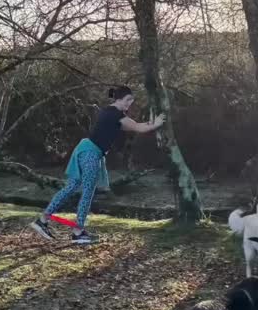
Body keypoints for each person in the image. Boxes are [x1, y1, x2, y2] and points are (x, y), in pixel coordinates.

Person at [31, 86, 165, 245]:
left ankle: (44, 220)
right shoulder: (116, 114)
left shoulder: (109, 112)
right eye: (128, 100)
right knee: (87, 191)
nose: (130, 103)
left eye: (132, 100)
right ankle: (77, 231)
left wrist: (150, 123)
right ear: (119, 99)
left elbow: (133, 125)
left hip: (85, 150)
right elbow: (138, 127)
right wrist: (156, 124)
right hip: (90, 153)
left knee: (72, 187)